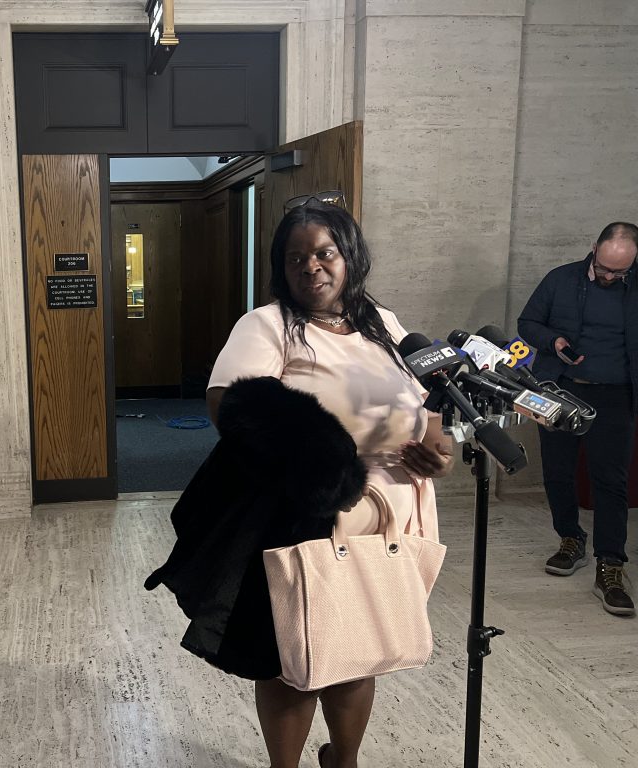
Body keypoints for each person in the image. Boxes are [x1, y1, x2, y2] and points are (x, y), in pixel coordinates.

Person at [149, 196, 452, 768]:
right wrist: (322, 464)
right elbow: (230, 407)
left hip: (392, 509)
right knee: (300, 648)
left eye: (324, 253)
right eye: (295, 259)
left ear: (349, 256)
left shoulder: (383, 324)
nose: (310, 267)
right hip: (309, 510)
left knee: (363, 647)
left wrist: (438, 445)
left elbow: (427, 398)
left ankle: (344, 760)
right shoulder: (268, 326)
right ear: (280, 268)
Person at [517, 221, 638, 617]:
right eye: (604, 267)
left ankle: (611, 565)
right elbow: (527, 323)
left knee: (610, 481)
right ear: (594, 248)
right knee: (557, 471)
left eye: (618, 272)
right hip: (560, 389)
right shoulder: (560, 279)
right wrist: (554, 341)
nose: (608, 276)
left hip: (616, 395)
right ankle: (570, 539)